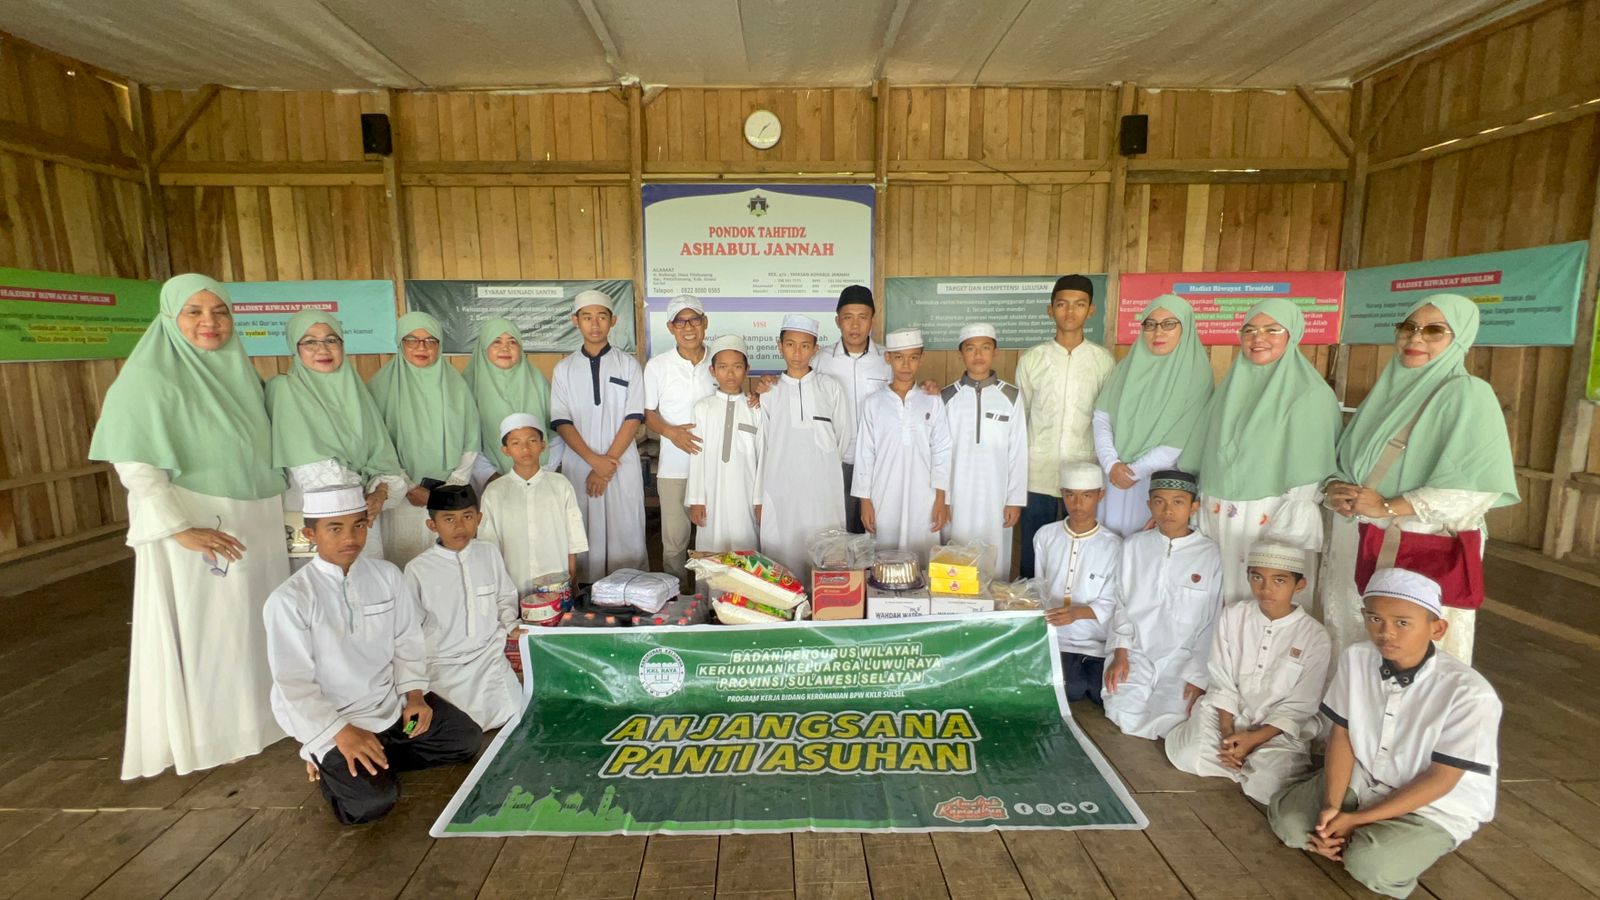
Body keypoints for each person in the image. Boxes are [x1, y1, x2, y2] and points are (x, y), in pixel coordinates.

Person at [89, 273, 289, 780]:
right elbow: (136, 466)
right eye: (194, 312)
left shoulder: (240, 372)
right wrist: (180, 529)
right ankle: (216, 733)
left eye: (219, 311)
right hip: (200, 521)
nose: (209, 323)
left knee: (256, 625)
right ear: (171, 318)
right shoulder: (149, 379)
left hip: (255, 517)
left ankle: (263, 721)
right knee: (213, 633)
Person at [1269, 568, 1502, 899]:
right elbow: (1343, 735)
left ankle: (1383, 838)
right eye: (1375, 619)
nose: (1386, 633)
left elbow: (1442, 780)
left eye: (1402, 622)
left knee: (1370, 865)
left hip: (1433, 802)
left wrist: (1356, 819)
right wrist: (1332, 808)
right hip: (1366, 776)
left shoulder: (1469, 693)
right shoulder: (1357, 658)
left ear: (1437, 628)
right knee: (1290, 825)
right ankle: (1356, 830)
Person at [264, 485, 483, 826]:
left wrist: (414, 696)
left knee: (464, 739)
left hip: (389, 705)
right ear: (311, 533)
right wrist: (340, 732)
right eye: (335, 528)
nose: (350, 537)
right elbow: (293, 683)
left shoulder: (386, 576)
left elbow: (407, 640)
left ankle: (375, 754)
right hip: (333, 720)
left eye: (359, 525)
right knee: (372, 803)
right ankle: (327, 759)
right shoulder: (289, 600)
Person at [1319, 294, 1517, 664]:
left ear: (1459, 339)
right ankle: (1349, 717)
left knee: (1408, 647)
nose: (1415, 339)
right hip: (1360, 538)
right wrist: (1335, 488)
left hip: (1418, 543)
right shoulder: (1387, 392)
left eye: (1434, 331)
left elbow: (1473, 489)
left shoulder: (1468, 394)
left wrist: (1386, 506)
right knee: (1354, 634)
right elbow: (1349, 460)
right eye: (1408, 327)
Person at [1180, 299, 1340, 606]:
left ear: (1291, 335)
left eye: (1272, 330)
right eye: (1250, 330)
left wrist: (1282, 534)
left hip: (1271, 516)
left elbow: (1311, 469)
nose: (1258, 338)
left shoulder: (1311, 394)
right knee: (1213, 599)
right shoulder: (1229, 387)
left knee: (1264, 601)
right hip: (1218, 512)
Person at [1164, 542, 1332, 803]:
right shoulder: (1234, 615)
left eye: (1279, 580)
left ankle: (1245, 762)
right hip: (1228, 716)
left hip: (1275, 730)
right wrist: (1229, 732)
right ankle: (1240, 761)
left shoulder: (1315, 635)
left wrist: (1254, 739)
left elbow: (1301, 705)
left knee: (1269, 786)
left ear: (1299, 585)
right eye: (1257, 577)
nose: (1265, 589)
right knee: (1189, 755)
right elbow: (1221, 678)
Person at [267, 309, 409, 571]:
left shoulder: (358, 394)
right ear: (294, 348)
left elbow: (383, 460)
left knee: (368, 593)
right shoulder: (285, 389)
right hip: (319, 519)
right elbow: (313, 471)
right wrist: (364, 494)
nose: (322, 349)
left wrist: (380, 493)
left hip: (363, 519)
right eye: (310, 342)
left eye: (332, 340)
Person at [1103, 469, 1223, 740]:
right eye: (1159, 501)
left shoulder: (1210, 554)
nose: (1168, 510)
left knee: (1173, 720)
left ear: (1194, 506)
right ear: (1149, 505)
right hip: (1136, 653)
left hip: (1183, 658)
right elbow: (1120, 602)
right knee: (1120, 712)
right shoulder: (1133, 546)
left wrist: (1198, 675)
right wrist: (1120, 653)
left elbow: (1214, 619)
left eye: (1178, 502)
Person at [1016, 274, 1115, 578]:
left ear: (1091, 311)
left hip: (1084, 474)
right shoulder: (1032, 359)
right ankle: (1030, 613)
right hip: (1039, 473)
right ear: (1050, 310)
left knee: (1082, 554)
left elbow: (1107, 419)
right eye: (1062, 305)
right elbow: (1022, 417)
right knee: (1035, 552)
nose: (1070, 312)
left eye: (1079, 305)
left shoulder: (1103, 361)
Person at [403, 484, 522, 731]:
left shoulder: (488, 553)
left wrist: (512, 625)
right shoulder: (418, 569)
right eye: (449, 519)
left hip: (487, 658)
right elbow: (408, 631)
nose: (460, 526)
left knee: (516, 711)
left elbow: (504, 597)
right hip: (442, 665)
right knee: (456, 728)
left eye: (467, 517)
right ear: (432, 525)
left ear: (478, 519)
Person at [369, 311, 483, 567]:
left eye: (430, 341)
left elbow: (471, 439)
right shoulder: (379, 387)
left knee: (447, 565)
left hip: (448, 495)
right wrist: (408, 486)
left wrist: (451, 485)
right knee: (404, 562)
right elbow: (376, 444)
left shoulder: (457, 385)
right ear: (400, 344)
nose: (422, 347)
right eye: (412, 340)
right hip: (401, 496)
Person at [1093, 295, 1213, 536]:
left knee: (1146, 551)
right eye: (1150, 324)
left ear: (1185, 328)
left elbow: (1182, 437)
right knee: (1108, 546)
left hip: (1159, 483)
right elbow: (1101, 417)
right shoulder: (1126, 368)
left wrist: (1135, 471)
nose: (1158, 333)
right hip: (1114, 477)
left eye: (1169, 324)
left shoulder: (1197, 375)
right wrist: (1111, 464)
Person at [549, 290, 648, 581]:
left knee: (625, 532)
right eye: (587, 317)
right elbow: (562, 420)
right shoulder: (564, 369)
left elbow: (634, 417)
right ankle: (586, 601)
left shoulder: (628, 365)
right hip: (580, 465)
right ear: (575, 321)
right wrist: (594, 462)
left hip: (621, 464)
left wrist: (606, 465)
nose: (595, 324)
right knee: (583, 533)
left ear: (613, 321)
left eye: (601, 317)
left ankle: (629, 594)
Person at [754, 314, 853, 580]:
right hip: (780, 489)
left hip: (823, 491)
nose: (797, 352)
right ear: (779, 346)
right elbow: (762, 446)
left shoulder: (829, 387)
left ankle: (826, 607)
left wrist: (821, 466)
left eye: (805, 345)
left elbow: (843, 439)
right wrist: (760, 498)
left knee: (825, 553)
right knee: (783, 555)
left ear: (815, 349)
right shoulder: (769, 392)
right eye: (790, 344)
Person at [852, 328, 952, 559]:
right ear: (888, 358)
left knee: (922, 558)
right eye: (899, 357)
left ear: (921, 358)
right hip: (883, 494)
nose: (906, 365)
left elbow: (942, 451)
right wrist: (865, 501)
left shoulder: (932, 401)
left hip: (924, 496)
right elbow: (865, 455)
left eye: (913, 357)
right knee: (884, 557)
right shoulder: (874, 403)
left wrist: (941, 499)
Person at [941, 323, 1028, 579]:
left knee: (994, 559)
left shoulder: (1011, 396)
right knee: (956, 559)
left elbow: (1018, 451)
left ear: (995, 352)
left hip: (997, 496)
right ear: (960, 354)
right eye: (971, 348)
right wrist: (943, 499)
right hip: (957, 496)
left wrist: (1014, 500)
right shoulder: (947, 397)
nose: (978, 355)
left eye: (985, 348)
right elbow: (941, 453)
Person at [644, 295, 717, 582]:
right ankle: (677, 605)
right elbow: (648, 414)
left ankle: (711, 601)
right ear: (670, 327)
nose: (688, 327)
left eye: (694, 319)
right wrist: (672, 433)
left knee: (712, 541)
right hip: (674, 469)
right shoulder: (657, 366)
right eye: (680, 321)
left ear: (705, 323)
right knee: (674, 544)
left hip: (715, 468)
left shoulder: (719, 360)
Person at [1037, 462, 1122, 704]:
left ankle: (1087, 669)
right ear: (1061, 494)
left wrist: (1077, 613)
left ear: (1100, 496)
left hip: (1095, 641)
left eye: (1086, 496)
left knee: (1104, 694)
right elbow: (1039, 586)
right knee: (1071, 689)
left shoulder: (1114, 545)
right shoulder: (1045, 535)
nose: (1077, 504)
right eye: (1070, 495)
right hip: (1056, 637)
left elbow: (1112, 600)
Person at [814, 284, 891, 533]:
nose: (855, 326)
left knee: (876, 532)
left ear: (873, 320)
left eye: (862, 317)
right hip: (836, 460)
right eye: (848, 318)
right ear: (837, 321)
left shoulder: (887, 360)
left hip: (879, 461)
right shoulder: (820, 361)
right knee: (837, 532)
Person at [480, 414, 586, 590]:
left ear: (542, 445)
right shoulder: (494, 492)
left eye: (532, 441)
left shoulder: (560, 485)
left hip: (556, 584)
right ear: (505, 450)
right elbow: (489, 543)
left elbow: (573, 537)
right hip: (512, 584)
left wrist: (572, 578)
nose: (525, 448)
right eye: (516, 443)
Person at [686, 335, 763, 552]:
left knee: (746, 547)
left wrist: (759, 499)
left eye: (737, 367)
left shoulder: (755, 409)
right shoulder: (703, 408)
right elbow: (696, 455)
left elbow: (763, 457)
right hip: (711, 494)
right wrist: (696, 498)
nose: (730, 373)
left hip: (746, 494)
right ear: (712, 371)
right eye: (723, 367)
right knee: (712, 548)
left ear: (747, 369)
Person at [465, 316, 563, 476]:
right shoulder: (467, 386)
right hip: (487, 479)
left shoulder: (537, 381)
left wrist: (540, 473)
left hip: (541, 474)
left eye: (512, 342)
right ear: (483, 347)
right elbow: (467, 442)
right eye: (496, 342)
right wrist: (491, 476)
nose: (505, 348)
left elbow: (555, 432)